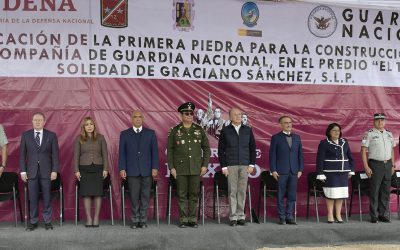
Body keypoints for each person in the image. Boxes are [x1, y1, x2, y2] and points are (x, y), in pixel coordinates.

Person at [167, 102, 210, 228]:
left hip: (196, 168)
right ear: (181, 115)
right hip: (180, 168)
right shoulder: (175, 131)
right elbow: (170, 150)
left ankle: (192, 219)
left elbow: (206, 149)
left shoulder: (199, 129)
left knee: (193, 195)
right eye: (187, 113)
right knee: (181, 195)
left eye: (191, 113)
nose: (190, 115)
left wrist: (204, 165)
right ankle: (183, 219)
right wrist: (171, 167)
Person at [19, 112, 59, 231]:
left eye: (40, 120)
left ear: (44, 122)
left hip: (47, 172)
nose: (37, 122)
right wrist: (23, 171)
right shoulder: (25, 135)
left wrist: (54, 170)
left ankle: (47, 221)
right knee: (32, 197)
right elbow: (22, 155)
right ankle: (33, 221)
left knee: (47, 196)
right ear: (32, 121)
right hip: (31, 172)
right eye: (35, 120)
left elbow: (55, 155)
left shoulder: (51, 135)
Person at [119, 110, 159, 229]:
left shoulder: (151, 133)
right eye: (135, 117)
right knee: (134, 196)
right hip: (131, 171)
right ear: (131, 119)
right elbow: (122, 153)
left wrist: (155, 167)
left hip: (147, 170)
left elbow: (154, 153)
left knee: (145, 196)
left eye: (140, 117)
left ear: (143, 119)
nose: (137, 119)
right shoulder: (125, 134)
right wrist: (122, 168)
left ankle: (143, 220)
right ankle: (135, 220)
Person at [218, 107, 256, 226]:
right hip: (231, 165)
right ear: (230, 117)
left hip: (245, 165)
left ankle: (241, 216)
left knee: (241, 191)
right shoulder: (225, 130)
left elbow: (252, 148)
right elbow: (221, 150)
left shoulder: (248, 130)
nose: (238, 116)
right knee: (232, 191)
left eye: (240, 114)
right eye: (235, 114)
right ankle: (233, 217)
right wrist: (224, 167)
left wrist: (251, 164)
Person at [74, 117, 108, 227]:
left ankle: (96, 218)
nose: (89, 126)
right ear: (83, 127)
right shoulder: (79, 138)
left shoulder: (101, 138)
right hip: (84, 169)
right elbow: (76, 156)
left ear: (94, 126)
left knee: (98, 193)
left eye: (91, 124)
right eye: (87, 124)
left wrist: (106, 169)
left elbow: (105, 155)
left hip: (98, 168)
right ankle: (89, 218)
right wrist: (76, 170)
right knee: (86, 194)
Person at [316, 123, 354, 223]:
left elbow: (350, 157)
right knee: (331, 194)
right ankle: (330, 214)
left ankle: (338, 214)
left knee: (340, 194)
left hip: (343, 173)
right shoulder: (324, 143)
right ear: (329, 132)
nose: (337, 132)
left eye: (338, 130)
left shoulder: (344, 142)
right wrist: (320, 173)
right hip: (330, 173)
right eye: (334, 130)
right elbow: (319, 159)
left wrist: (351, 170)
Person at [361, 113, 396, 223]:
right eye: (377, 120)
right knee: (375, 190)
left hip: (388, 165)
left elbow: (392, 150)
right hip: (375, 165)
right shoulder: (369, 134)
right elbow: (363, 151)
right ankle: (374, 215)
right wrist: (366, 166)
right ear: (373, 121)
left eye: (382, 120)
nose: (380, 122)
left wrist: (393, 165)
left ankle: (382, 214)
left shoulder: (389, 134)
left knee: (385, 191)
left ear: (385, 121)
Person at [269, 116, 304, 225]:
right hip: (281, 171)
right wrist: (273, 170)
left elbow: (300, 155)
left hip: (294, 171)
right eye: (285, 123)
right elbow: (272, 155)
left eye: (290, 122)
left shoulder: (297, 137)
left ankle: (289, 216)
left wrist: (300, 169)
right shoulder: (276, 137)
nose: (288, 124)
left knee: (292, 195)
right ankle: (281, 217)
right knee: (280, 194)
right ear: (281, 124)